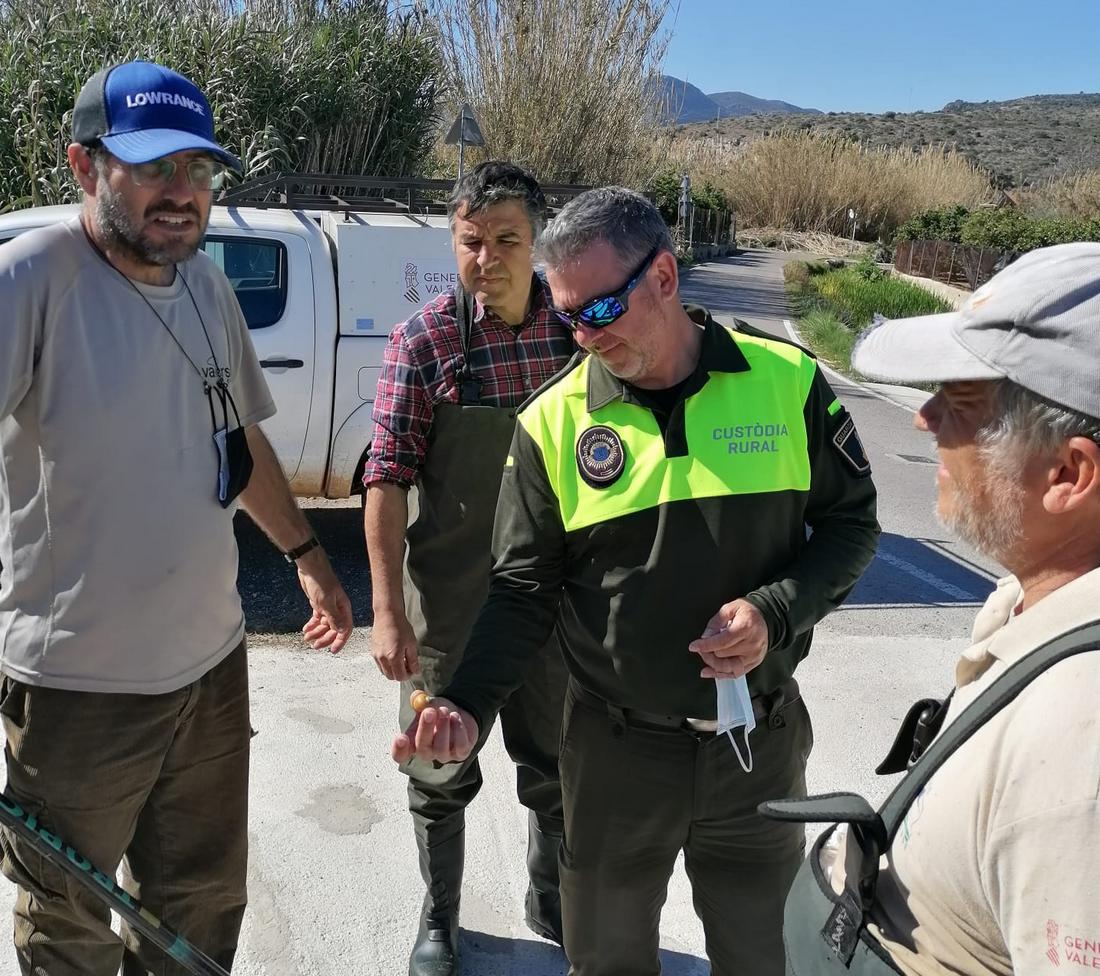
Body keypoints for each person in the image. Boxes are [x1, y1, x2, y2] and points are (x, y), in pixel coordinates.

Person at [392, 187, 880, 975]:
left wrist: (776, 613)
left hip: (757, 746)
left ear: (663, 276)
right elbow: (521, 592)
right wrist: (463, 705)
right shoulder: (553, 424)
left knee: (762, 957)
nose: (585, 336)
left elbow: (854, 527)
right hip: (613, 759)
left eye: (602, 307)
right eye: (569, 316)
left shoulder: (787, 384)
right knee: (606, 961)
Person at [0, 60, 353, 975]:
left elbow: (237, 443)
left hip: (209, 672)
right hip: (76, 693)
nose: (181, 193)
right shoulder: (31, 281)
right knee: (69, 928)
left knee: (199, 909)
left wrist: (309, 554)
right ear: (84, 167)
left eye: (198, 170)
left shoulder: (205, 285)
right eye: (153, 168)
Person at [772, 242, 1100, 976]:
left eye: (960, 400)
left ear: (1070, 473)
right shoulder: (1036, 604)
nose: (923, 421)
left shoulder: (1084, 743)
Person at [362, 161, 575, 975]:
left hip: (555, 608)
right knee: (436, 766)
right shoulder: (425, 342)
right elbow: (384, 481)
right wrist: (384, 612)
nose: (486, 258)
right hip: (449, 610)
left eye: (506, 241)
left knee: (557, 764)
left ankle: (548, 896)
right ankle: (440, 918)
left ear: (538, 244)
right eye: (471, 242)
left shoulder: (573, 333)